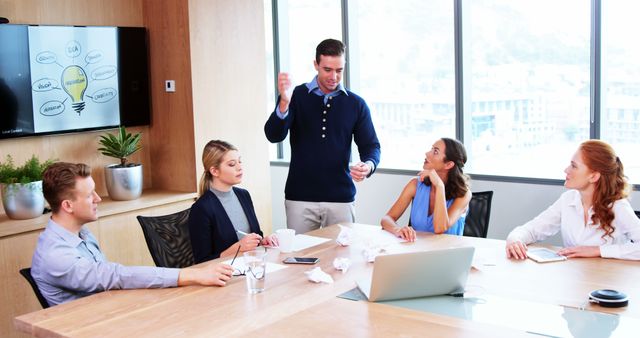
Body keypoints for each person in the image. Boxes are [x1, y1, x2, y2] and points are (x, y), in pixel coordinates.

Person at [31, 162, 233, 307]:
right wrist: (190, 274)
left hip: (113, 314)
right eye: (89, 195)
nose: (98, 199)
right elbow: (115, 276)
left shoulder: (81, 232)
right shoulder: (55, 255)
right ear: (68, 205)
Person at [264, 38, 381, 233]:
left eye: (339, 70)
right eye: (327, 69)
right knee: (299, 258)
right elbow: (273, 135)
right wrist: (284, 102)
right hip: (299, 197)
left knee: (343, 259)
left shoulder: (356, 104)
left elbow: (371, 147)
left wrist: (368, 165)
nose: (334, 76)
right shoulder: (296, 96)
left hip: (341, 198)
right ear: (316, 65)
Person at [506, 140, 640, 260]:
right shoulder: (568, 200)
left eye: (574, 166)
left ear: (593, 176)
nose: (566, 170)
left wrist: (598, 250)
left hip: (607, 281)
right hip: (574, 276)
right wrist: (515, 239)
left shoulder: (617, 206)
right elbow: (533, 229)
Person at [189, 140, 277, 263]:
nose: (239, 167)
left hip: (251, 265)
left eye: (240, 162)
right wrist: (238, 248)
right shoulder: (201, 209)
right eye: (231, 164)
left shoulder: (243, 195)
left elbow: (255, 234)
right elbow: (202, 261)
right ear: (214, 171)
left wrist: (262, 241)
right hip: (224, 274)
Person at [381, 138, 471, 241]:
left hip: (448, 254)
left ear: (448, 164)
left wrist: (439, 186)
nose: (427, 153)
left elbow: (439, 228)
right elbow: (386, 219)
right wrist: (397, 230)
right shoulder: (415, 185)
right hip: (417, 252)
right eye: (431, 149)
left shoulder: (464, 195)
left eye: (435, 152)